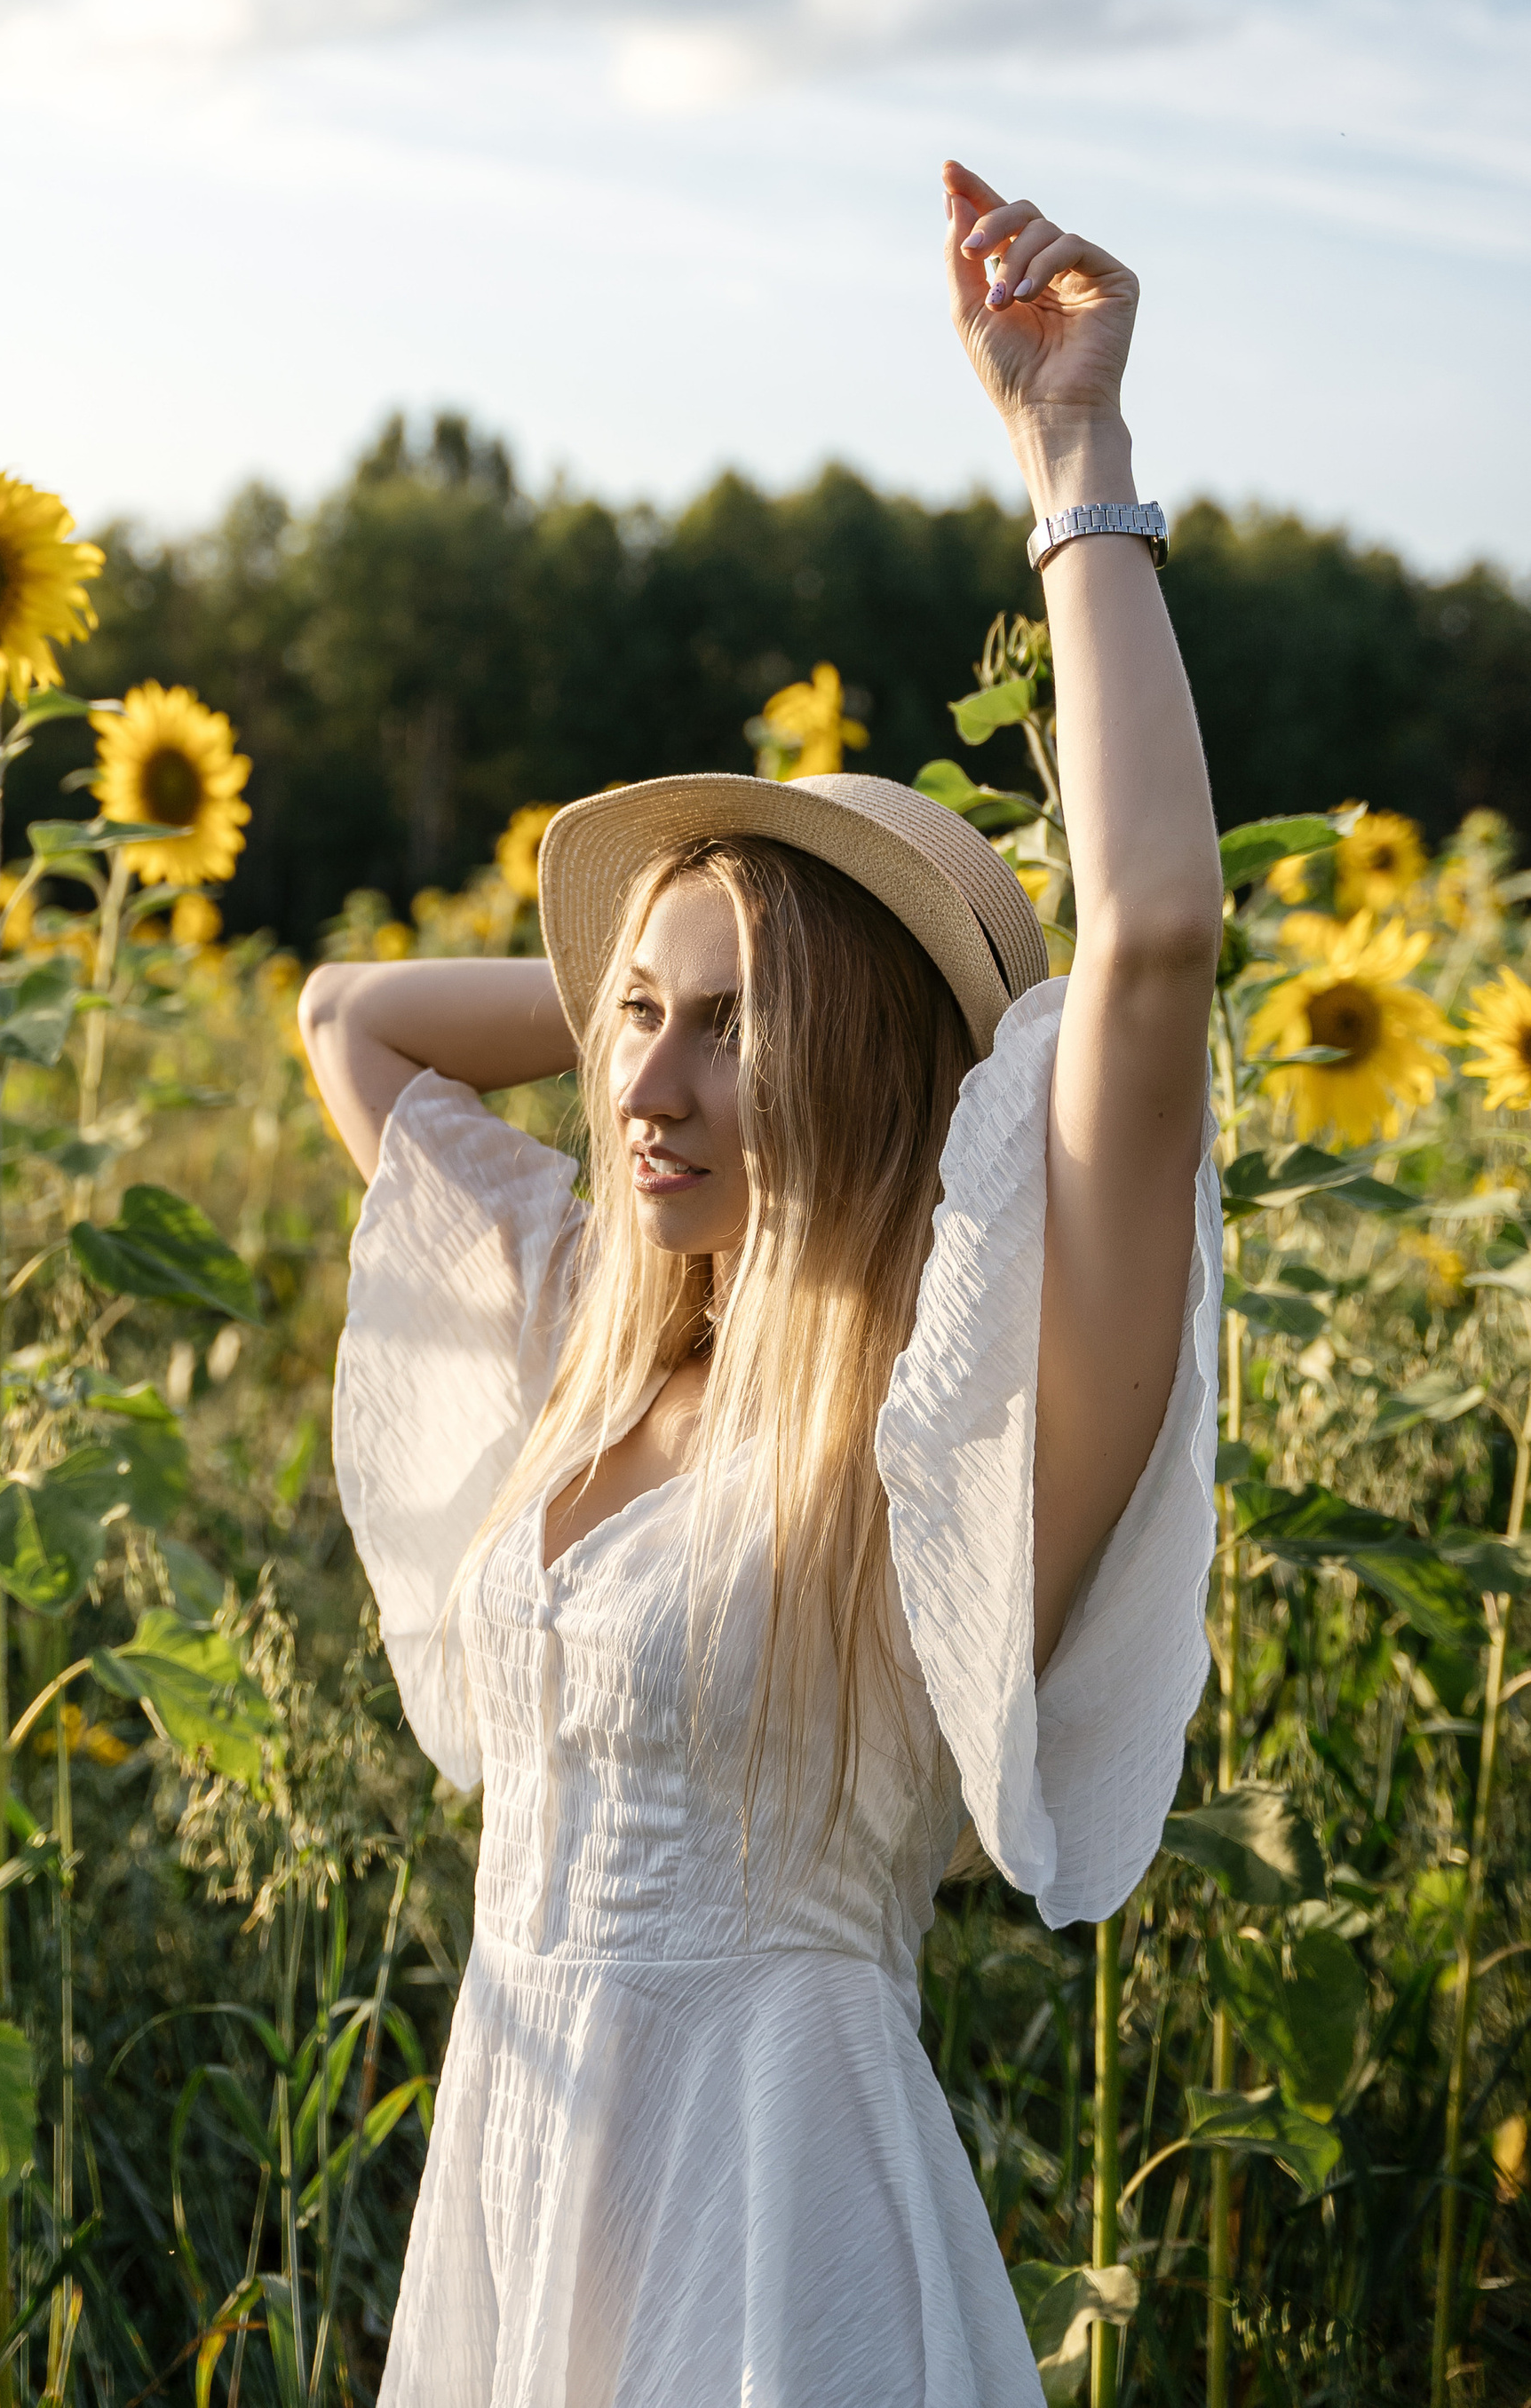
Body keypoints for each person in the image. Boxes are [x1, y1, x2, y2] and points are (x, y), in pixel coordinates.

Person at [297, 165, 1226, 2407]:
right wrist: (655, 979)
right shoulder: (585, 1326)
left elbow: (1158, 944)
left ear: (857, 1061)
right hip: (517, 2195)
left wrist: (1070, 463)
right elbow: (355, 1020)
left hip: (777, 2233)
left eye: (732, 1025)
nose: (649, 1074)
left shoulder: (952, 1404)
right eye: (636, 1015)